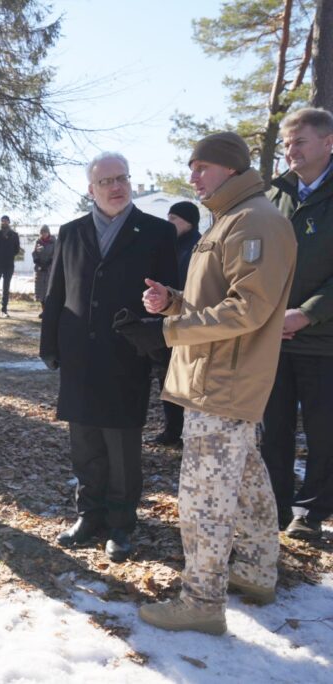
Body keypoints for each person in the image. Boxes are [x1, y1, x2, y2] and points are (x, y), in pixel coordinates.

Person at [117, 132, 296, 634]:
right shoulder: (231, 218)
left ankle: (202, 601)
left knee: (204, 499)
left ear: (231, 168)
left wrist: (167, 331)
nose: (192, 176)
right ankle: (256, 571)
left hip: (223, 383)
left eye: (202, 167)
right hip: (217, 378)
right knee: (248, 481)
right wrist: (172, 301)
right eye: (191, 166)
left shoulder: (254, 220)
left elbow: (248, 310)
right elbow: (220, 299)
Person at [40, 151, 178, 563]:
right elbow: (57, 291)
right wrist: (50, 344)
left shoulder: (156, 232)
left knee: (121, 447)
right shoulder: (72, 232)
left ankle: (120, 523)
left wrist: (159, 340)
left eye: (122, 178)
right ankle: (89, 515)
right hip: (79, 354)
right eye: (106, 181)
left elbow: (172, 294)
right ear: (91, 189)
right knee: (84, 443)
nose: (116, 187)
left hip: (127, 353)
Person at [261, 107, 333, 541]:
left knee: (324, 433)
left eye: (300, 142)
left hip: (324, 340)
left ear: (328, 142)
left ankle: (311, 512)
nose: (291, 151)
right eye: (287, 144)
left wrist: (306, 313)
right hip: (274, 338)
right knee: (274, 430)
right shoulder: (276, 195)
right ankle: (275, 503)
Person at [151, 201, 202, 447]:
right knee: (166, 376)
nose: (168, 223)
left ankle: (186, 431)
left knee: (186, 380)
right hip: (167, 319)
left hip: (188, 321)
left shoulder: (198, 247)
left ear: (189, 222)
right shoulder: (171, 246)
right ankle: (172, 430)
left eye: (174, 219)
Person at [32, 225, 56, 317]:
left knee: (48, 289)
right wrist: (37, 260)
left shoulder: (54, 241)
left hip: (49, 268)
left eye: (45, 232)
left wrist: (50, 261)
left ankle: (49, 311)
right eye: (42, 232)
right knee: (40, 290)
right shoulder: (38, 241)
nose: (43, 234)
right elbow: (34, 252)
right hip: (40, 269)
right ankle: (43, 310)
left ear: (48, 232)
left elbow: (56, 252)